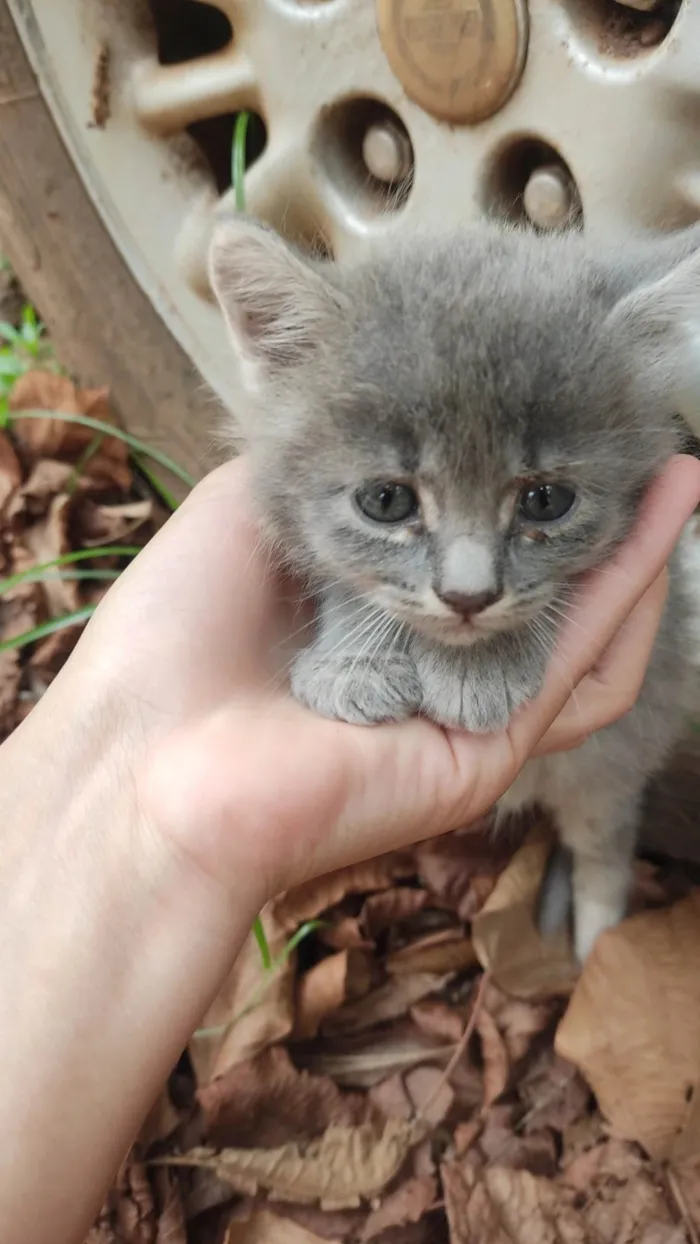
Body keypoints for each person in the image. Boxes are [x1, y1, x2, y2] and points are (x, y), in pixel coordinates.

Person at [1, 453, 699, 1244]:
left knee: (602, 804)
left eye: (542, 496)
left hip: (606, 723)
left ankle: (599, 888)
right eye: (388, 497)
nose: (466, 582)